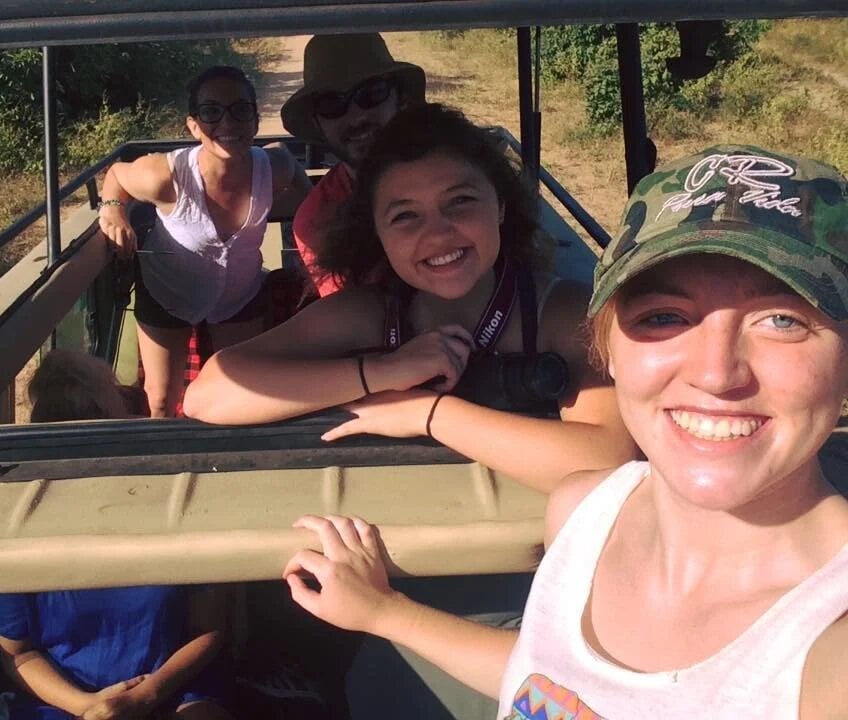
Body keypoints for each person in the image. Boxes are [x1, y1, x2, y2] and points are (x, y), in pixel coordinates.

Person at [282, 145, 848, 719]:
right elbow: (555, 678)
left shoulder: (832, 643)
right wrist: (385, 612)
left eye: (783, 320)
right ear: (608, 350)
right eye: (664, 317)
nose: (716, 373)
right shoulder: (588, 511)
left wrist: (430, 413)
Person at [185, 104, 635, 493]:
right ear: (378, 233)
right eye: (405, 216)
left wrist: (429, 413)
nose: (437, 234)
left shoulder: (562, 312)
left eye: (460, 202)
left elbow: (610, 460)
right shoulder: (368, 313)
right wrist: (384, 371)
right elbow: (209, 396)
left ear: (500, 205)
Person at [0, 349, 236, 720]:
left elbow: (208, 628)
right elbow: (18, 653)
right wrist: (88, 706)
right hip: (64, 699)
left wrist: (146, 696)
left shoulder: (176, 508)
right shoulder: (20, 530)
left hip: (174, 685)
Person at [99, 65, 311, 417]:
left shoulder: (274, 167)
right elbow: (118, 174)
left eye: (240, 110)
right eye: (212, 112)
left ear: (255, 120)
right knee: (161, 399)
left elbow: (296, 174)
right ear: (194, 126)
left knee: (242, 390)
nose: (228, 123)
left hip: (240, 295)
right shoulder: (164, 176)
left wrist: (308, 213)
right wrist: (113, 210)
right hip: (167, 293)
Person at [281, 32, 426, 296]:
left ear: (400, 98)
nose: (357, 116)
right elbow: (351, 312)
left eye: (372, 93)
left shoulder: (457, 171)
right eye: (331, 104)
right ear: (316, 122)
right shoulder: (319, 219)